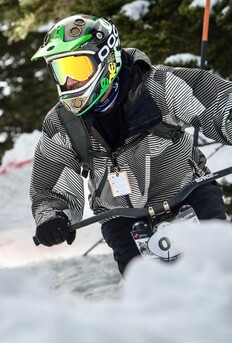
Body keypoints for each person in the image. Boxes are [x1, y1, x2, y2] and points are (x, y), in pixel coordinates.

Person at [28, 14, 231, 275]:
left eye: (77, 69)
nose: (70, 82)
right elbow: (50, 185)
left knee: (219, 276)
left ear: (106, 59)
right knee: (149, 298)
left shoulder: (160, 87)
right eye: (60, 71)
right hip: (123, 217)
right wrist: (53, 216)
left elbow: (220, 102)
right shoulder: (62, 123)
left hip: (189, 194)